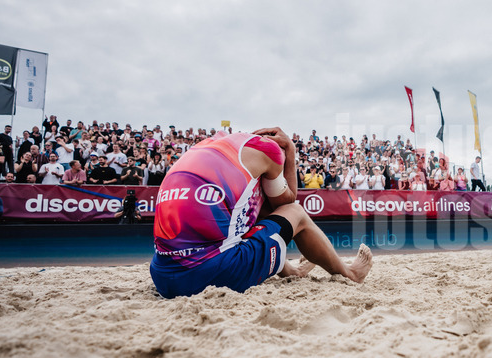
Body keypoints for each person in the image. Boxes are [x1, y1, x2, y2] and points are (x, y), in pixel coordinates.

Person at [149, 127, 372, 298]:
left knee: (246, 211)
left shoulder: (199, 150)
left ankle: (289, 271)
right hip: (208, 274)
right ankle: (351, 274)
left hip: (162, 275)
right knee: (295, 213)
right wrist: (290, 152)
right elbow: (288, 201)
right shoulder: (268, 150)